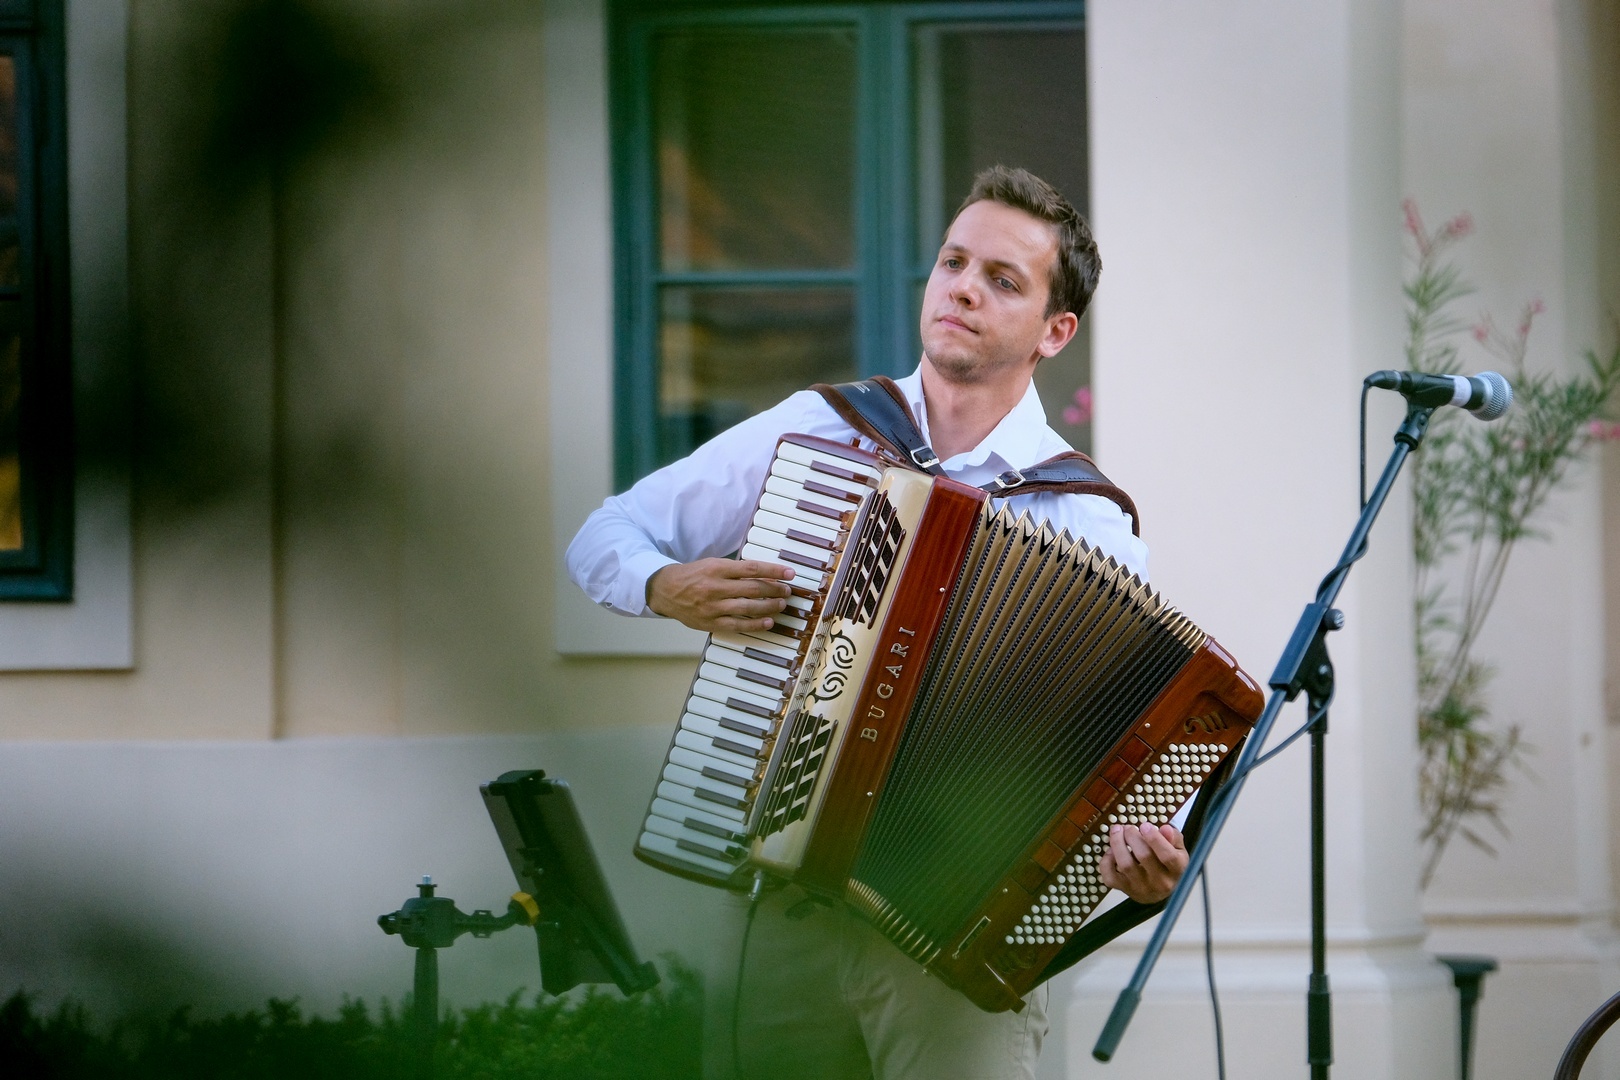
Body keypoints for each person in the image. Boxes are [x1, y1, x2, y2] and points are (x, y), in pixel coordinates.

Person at [567, 166, 1189, 1080]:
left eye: (1002, 280)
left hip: (949, 932)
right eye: (954, 262)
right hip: (782, 914)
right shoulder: (819, 431)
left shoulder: (1085, 517)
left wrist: (1142, 849)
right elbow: (606, 533)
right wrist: (663, 585)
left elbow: (1126, 745)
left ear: (1055, 331)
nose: (963, 289)